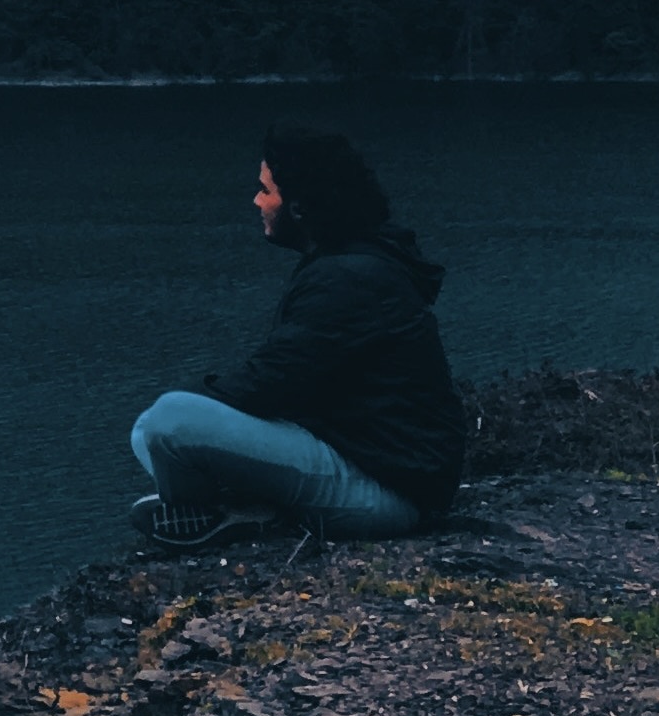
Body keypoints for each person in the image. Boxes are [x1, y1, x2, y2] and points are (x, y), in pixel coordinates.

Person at [128, 126, 468, 548]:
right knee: (148, 429)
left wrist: (194, 400)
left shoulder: (349, 279)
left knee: (168, 422)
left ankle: (223, 515)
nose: (257, 201)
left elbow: (270, 383)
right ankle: (235, 511)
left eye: (266, 190)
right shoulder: (354, 263)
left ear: (301, 207)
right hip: (367, 463)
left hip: (389, 493)